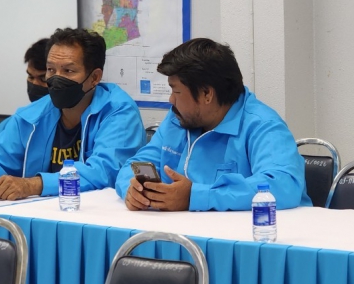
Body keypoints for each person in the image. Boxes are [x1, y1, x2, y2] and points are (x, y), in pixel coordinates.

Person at [116, 38, 311, 211]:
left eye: (176, 92)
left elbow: (283, 185)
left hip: (257, 236)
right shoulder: (178, 118)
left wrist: (195, 197)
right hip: (185, 231)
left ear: (206, 94)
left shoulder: (263, 125)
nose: (171, 100)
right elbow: (135, 165)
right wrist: (132, 190)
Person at [0, 27, 145, 200]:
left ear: (94, 77)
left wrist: (33, 185)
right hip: (43, 211)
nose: (57, 79)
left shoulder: (118, 112)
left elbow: (104, 172)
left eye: (68, 71)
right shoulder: (31, 115)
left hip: (96, 213)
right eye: (51, 70)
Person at [0, 37, 50, 151]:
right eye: (30, 77)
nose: (34, 84)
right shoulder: (18, 121)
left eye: (43, 79)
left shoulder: (71, 122)